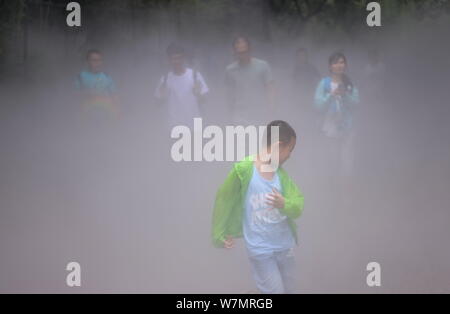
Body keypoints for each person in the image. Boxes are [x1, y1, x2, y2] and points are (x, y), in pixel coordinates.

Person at [212, 120, 304, 294]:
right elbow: (224, 199)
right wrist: (219, 235)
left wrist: (285, 204)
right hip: (260, 249)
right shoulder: (244, 170)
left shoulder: (281, 175)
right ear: (278, 145)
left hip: (285, 246)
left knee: (290, 290)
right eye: (290, 149)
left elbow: (299, 203)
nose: (290, 155)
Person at [314, 52, 360, 176]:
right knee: (333, 161)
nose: (339, 65)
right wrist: (330, 95)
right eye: (336, 62)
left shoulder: (349, 83)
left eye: (342, 62)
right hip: (330, 128)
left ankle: (346, 191)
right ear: (330, 66)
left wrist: (345, 95)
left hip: (348, 128)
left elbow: (356, 104)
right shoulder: (324, 84)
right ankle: (333, 190)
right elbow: (318, 106)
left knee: (347, 163)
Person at [155, 43, 209, 128]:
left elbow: (205, 100)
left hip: (194, 125)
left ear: (183, 58)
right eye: (173, 59)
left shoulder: (194, 75)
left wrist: (198, 94)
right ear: (168, 60)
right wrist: (162, 97)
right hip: (173, 126)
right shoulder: (165, 79)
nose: (176, 62)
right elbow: (157, 104)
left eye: (179, 58)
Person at [225, 36, 274, 125]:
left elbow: (270, 90)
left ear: (250, 50)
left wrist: (271, 112)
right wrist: (230, 115)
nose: (242, 55)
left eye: (244, 52)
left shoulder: (262, 66)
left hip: (260, 116)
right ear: (234, 52)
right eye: (239, 52)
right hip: (238, 118)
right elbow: (230, 94)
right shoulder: (230, 70)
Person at [75, 49, 119, 117]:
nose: (97, 63)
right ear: (87, 61)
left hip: (106, 113)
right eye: (94, 60)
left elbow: (115, 96)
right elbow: (74, 96)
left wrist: (118, 112)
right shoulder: (81, 77)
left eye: (99, 60)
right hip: (87, 113)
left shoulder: (107, 77)